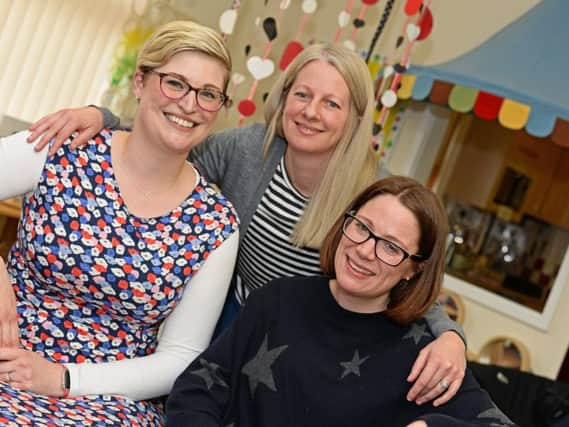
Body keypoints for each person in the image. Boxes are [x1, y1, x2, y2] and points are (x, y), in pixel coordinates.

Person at [26, 43, 466, 406]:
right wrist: (103, 118)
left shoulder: (373, 189)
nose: (311, 112)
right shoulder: (246, 148)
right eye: (302, 95)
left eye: (332, 103)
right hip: (235, 315)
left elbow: (407, 268)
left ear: (353, 118)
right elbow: (164, 147)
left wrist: (451, 338)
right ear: (284, 95)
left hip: (308, 338)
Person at [0, 20, 239, 425]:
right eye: (175, 83)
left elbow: (180, 357)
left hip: (107, 398)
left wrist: (64, 379)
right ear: (140, 82)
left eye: (209, 93)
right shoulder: (65, 146)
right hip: (8, 355)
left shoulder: (214, 225)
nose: (189, 103)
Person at [165, 176, 515, 427]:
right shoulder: (276, 301)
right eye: (362, 227)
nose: (364, 251)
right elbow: (198, 387)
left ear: (414, 269)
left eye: (391, 247)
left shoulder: (424, 356)